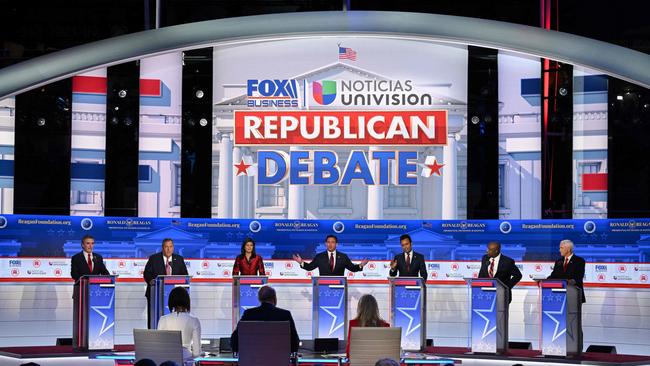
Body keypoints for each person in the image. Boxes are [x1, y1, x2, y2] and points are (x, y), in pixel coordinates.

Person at [231, 285, 299, 354]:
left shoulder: (249, 314)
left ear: (259, 299)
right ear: (274, 298)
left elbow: (234, 341)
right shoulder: (285, 315)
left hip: (253, 360)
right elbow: (295, 344)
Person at [71, 234, 110, 347]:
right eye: (88, 243)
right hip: (81, 292)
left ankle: (95, 341)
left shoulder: (98, 257)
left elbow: (105, 273)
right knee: (81, 320)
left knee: (95, 319)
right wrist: (86, 280)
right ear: (82, 245)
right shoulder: (76, 258)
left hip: (96, 294)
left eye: (92, 243)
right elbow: (74, 274)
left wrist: (108, 278)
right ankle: (80, 343)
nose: (90, 246)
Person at [143, 238, 189, 328]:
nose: (168, 249)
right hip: (155, 294)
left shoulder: (179, 259)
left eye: (171, 247)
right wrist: (151, 281)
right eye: (166, 247)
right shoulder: (154, 259)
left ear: (173, 247)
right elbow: (146, 273)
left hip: (175, 296)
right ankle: (153, 336)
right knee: (153, 318)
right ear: (162, 248)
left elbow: (185, 275)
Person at [157, 287, 201, 360]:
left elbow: (159, 347)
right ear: (187, 301)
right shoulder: (194, 321)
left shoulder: (163, 319)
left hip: (166, 361)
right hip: (186, 360)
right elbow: (196, 352)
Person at [292, 235, 368, 276]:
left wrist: (361, 265)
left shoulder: (343, 257)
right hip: (323, 286)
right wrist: (301, 262)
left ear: (336, 244)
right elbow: (310, 267)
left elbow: (352, 268)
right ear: (325, 244)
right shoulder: (319, 257)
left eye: (333, 242)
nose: (330, 244)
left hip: (339, 286)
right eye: (328, 242)